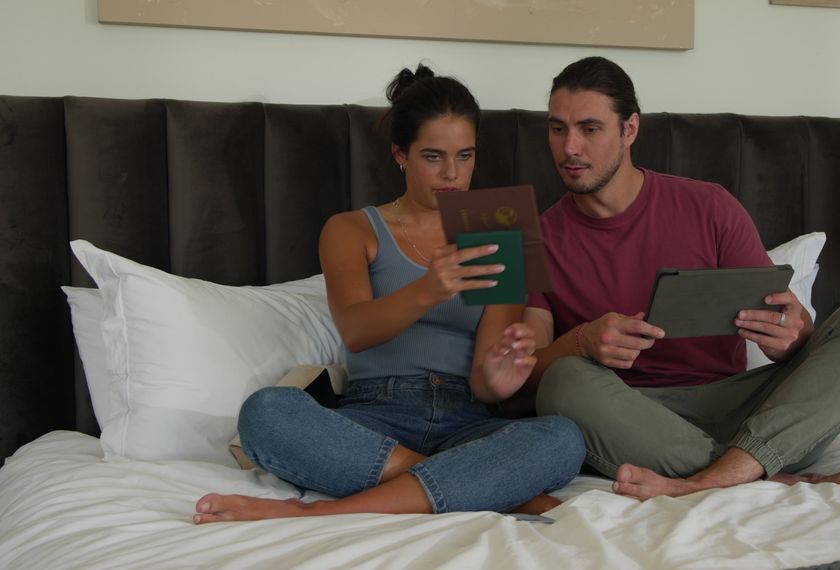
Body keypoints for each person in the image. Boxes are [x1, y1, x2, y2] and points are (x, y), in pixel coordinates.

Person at [510, 56, 840, 501]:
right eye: (557, 129)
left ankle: (712, 480)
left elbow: (789, 328)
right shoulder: (534, 238)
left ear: (629, 130)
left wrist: (793, 334)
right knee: (563, 381)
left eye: (590, 129)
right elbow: (526, 378)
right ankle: (766, 474)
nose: (570, 147)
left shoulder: (709, 206)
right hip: (633, 420)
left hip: (748, 408)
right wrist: (584, 341)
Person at [193, 64, 585, 524]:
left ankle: (313, 513)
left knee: (562, 438)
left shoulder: (497, 230)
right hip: (375, 418)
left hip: (468, 419)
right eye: (433, 157)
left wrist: (499, 376)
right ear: (401, 154)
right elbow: (357, 330)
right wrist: (428, 288)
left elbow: (485, 383)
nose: (452, 174)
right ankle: (486, 487)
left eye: (465, 156)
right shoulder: (352, 229)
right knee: (266, 412)